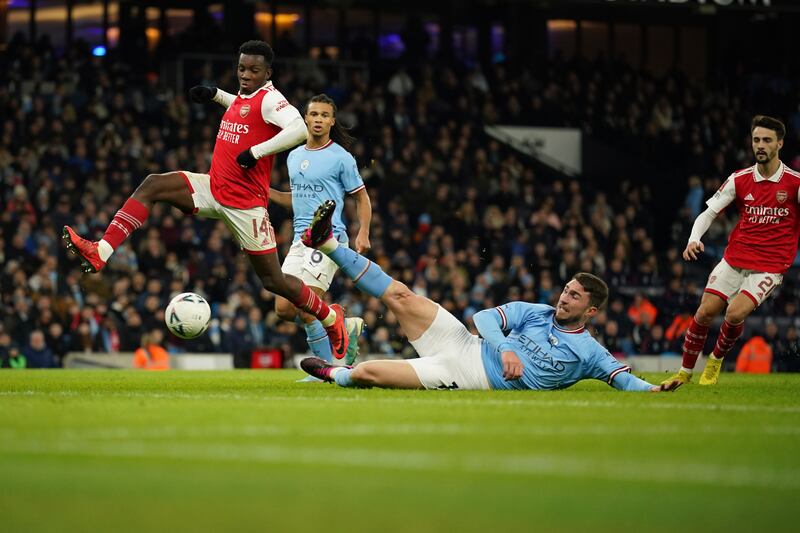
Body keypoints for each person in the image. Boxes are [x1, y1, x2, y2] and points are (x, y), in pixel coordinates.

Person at [61, 40, 349, 358]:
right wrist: (216, 95)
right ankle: (101, 251)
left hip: (245, 205)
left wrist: (257, 152)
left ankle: (331, 318)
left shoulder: (272, 100)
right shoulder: (245, 96)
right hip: (214, 188)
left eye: (254, 70)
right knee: (153, 184)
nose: (245, 75)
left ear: (268, 72)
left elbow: (298, 129)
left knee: (275, 281)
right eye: (241, 68)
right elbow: (242, 110)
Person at [298, 201, 682, 393]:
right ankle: (328, 242)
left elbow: (622, 380)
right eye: (566, 289)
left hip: (468, 375)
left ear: (591, 310)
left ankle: (334, 373)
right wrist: (506, 349)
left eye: (575, 296)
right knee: (400, 295)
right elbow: (482, 319)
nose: (564, 298)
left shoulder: (590, 354)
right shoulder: (539, 312)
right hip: (463, 341)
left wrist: (656, 389)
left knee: (366, 373)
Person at [664, 115, 800, 386]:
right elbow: (708, 213)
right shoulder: (739, 179)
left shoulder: (795, 183)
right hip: (734, 258)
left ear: (780, 144)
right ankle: (685, 373)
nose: (760, 145)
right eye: (756, 140)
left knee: (734, 313)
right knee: (704, 313)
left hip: (770, 266)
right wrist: (693, 239)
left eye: (767, 140)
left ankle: (714, 362)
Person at [269, 94, 371, 365]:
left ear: (332, 121)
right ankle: (343, 326)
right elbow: (297, 198)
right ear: (305, 118)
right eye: (314, 114)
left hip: (328, 238)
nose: (318, 119)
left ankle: (326, 369)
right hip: (299, 241)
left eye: (324, 115)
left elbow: (361, 197)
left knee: (307, 307)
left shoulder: (341, 157)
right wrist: (265, 192)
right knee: (283, 308)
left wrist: (363, 232)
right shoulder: (294, 156)